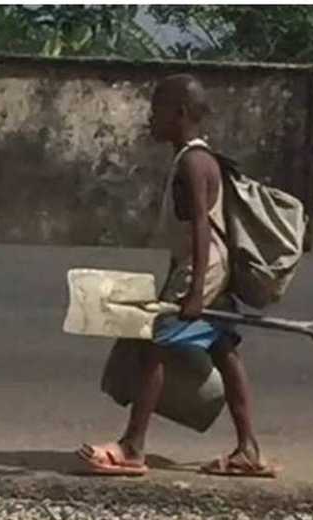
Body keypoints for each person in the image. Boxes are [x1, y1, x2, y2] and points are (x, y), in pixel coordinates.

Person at [77, 74, 276, 477]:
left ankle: (133, 447)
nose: (150, 120)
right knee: (224, 349)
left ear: (180, 113)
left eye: (156, 111)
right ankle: (248, 450)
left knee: (155, 344)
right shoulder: (198, 159)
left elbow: (202, 225)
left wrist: (195, 291)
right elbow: (193, 230)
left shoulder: (191, 162)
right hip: (208, 268)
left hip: (204, 270)